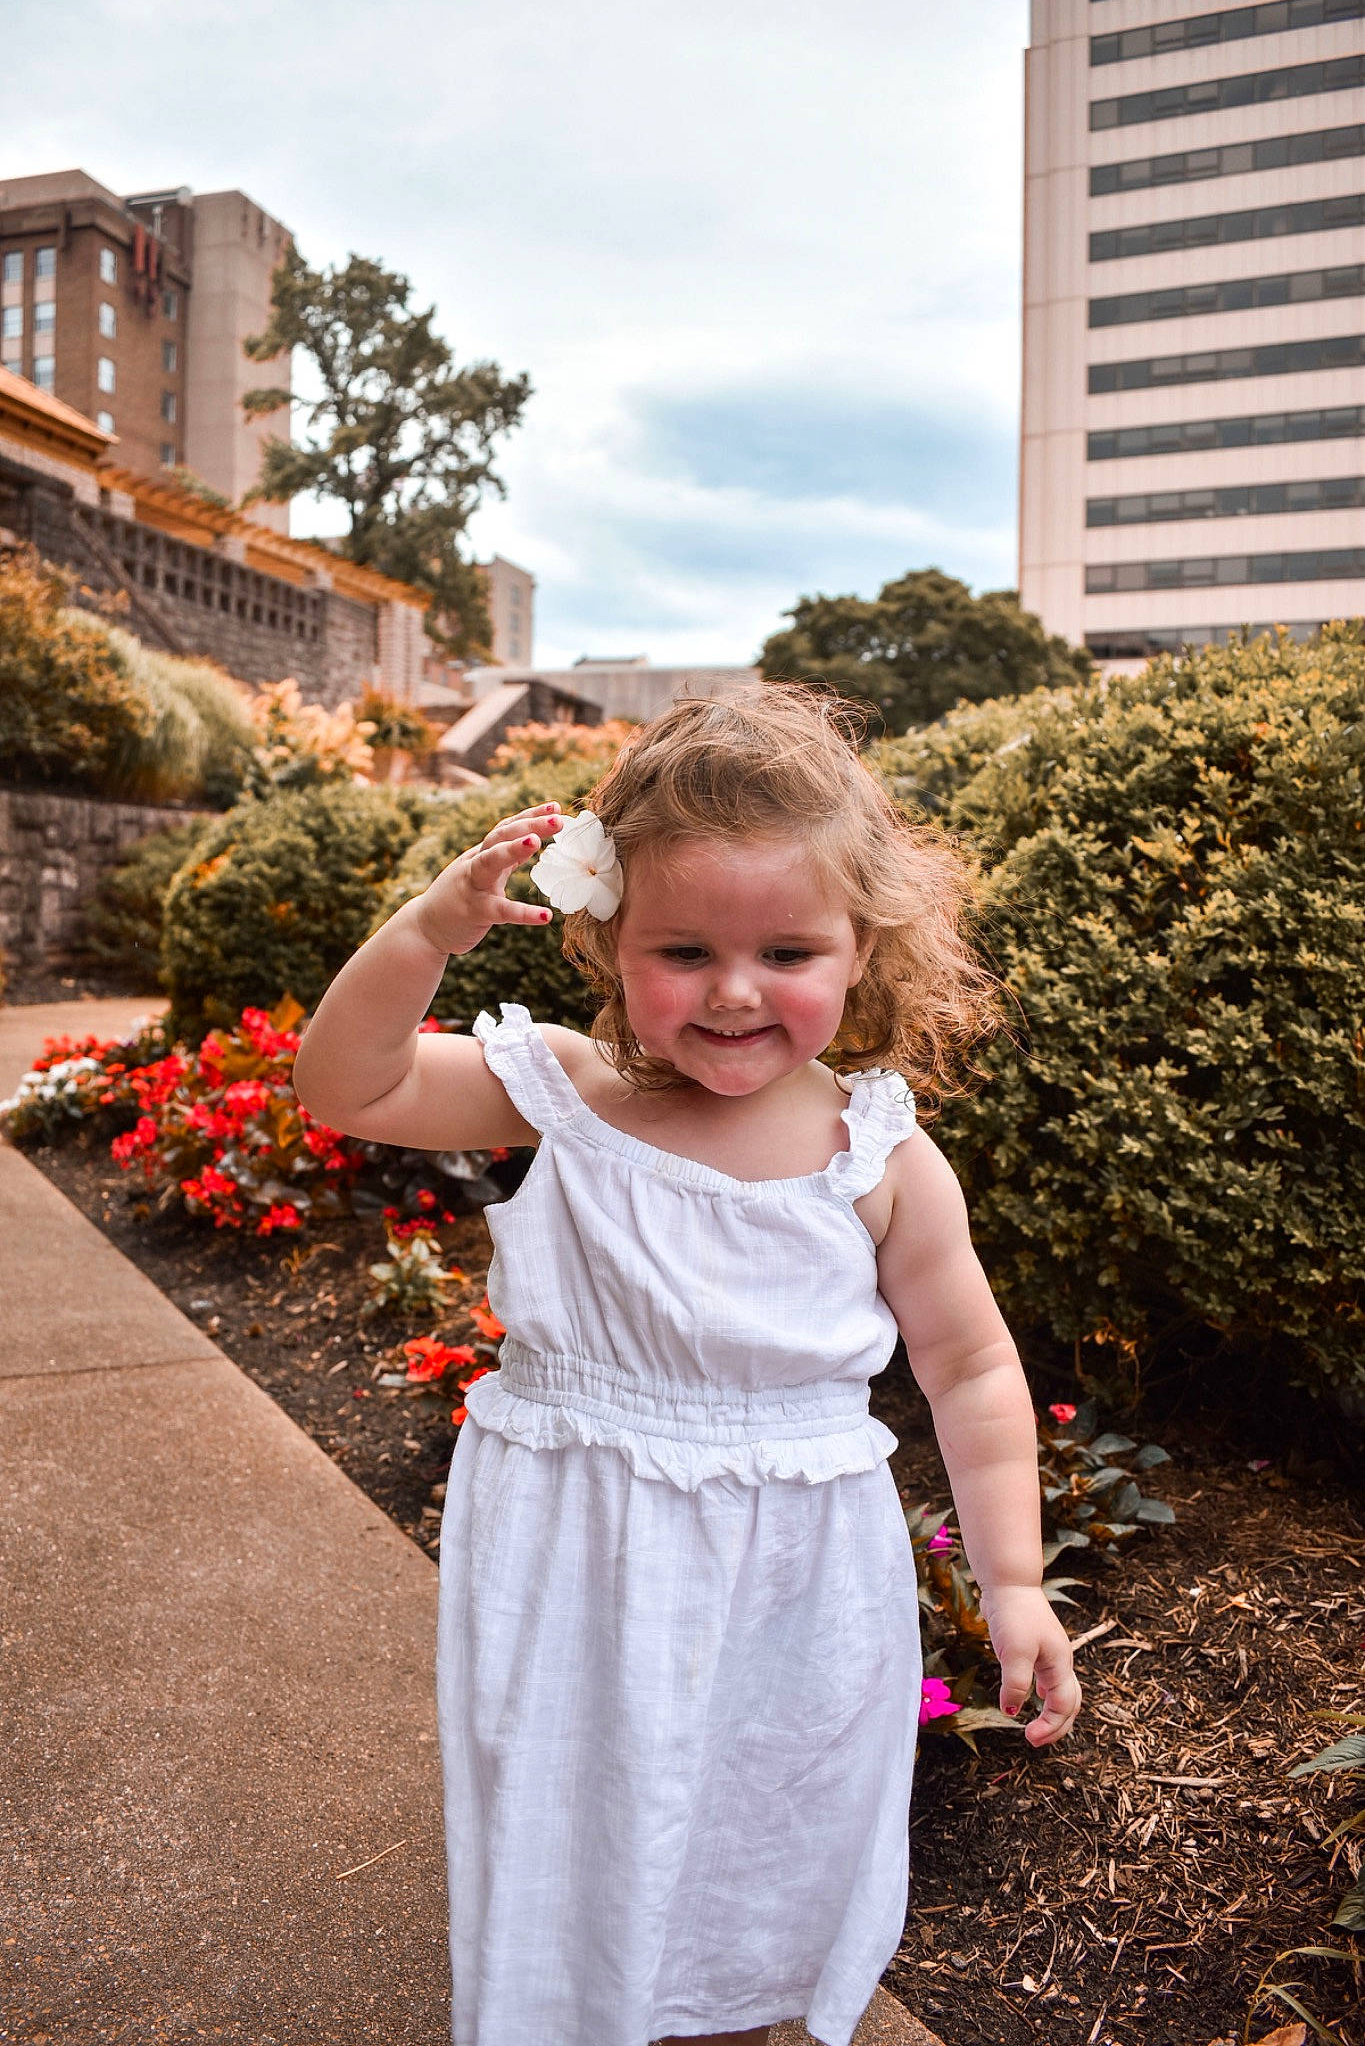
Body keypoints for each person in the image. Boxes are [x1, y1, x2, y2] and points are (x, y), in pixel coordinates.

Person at [291, 682, 1081, 2046]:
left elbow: (969, 1371)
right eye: (681, 950)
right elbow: (343, 1085)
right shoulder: (562, 1092)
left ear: (859, 947)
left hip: (798, 1574)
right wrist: (434, 927)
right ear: (607, 935)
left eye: (786, 949)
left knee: (759, 1840)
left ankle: (727, 2016)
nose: (731, 990)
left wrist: (1012, 1582)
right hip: (577, 1551)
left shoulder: (876, 1157)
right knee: (580, 1826)